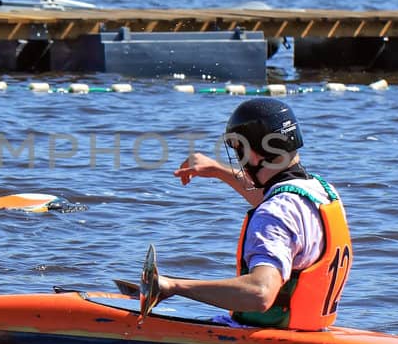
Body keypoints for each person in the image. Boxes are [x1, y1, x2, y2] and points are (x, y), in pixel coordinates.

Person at [146, 97, 351, 330]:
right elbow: (273, 202)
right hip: (312, 329)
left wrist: (173, 286)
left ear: (255, 153)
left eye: (238, 149)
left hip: (268, 339)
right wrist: (216, 170)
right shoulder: (321, 192)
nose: (238, 158)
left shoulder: (274, 213)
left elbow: (260, 294)